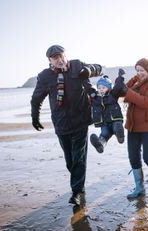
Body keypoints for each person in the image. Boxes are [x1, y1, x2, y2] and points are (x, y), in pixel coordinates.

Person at [30, 45, 102, 205]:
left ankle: (76, 192)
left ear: (65, 55)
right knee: (70, 161)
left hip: (81, 121)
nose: (60, 60)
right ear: (49, 60)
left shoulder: (77, 65)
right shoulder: (45, 76)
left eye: (61, 56)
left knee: (78, 157)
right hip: (61, 124)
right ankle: (79, 183)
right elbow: (36, 99)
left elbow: (99, 68)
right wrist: (35, 117)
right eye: (55, 58)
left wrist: (89, 70)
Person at [113, 58, 148, 199]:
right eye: (137, 70)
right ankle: (140, 187)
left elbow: (146, 102)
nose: (139, 73)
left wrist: (127, 91)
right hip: (133, 126)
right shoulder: (136, 82)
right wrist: (128, 81)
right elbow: (122, 92)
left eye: (142, 70)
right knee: (133, 157)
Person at [89, 69, 126, 153]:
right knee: (104, 135)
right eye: (99, 87)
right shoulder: (95, 98)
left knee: (117, 126)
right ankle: (100, 145)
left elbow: (118, 86)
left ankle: (120, 136)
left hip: (114, 121)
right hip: (104, 124)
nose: (101, 89)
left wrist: (121, 77)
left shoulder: (112, 95)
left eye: (103, 87)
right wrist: (84, 78)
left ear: (109, 88)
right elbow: (88, 89)